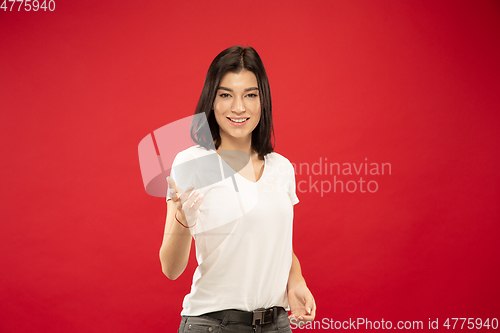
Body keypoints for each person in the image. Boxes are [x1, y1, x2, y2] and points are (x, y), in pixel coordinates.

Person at [159, 45, 316, 332]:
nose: (239, 107)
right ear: (212, 100)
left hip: (276, 325)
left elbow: (276, 242)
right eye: (226, 95)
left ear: (263, 101)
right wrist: (183, 219)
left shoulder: (281, 168)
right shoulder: (190, 162)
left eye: (250, 95)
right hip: (213, 325)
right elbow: (170, 268)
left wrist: (296, 281)